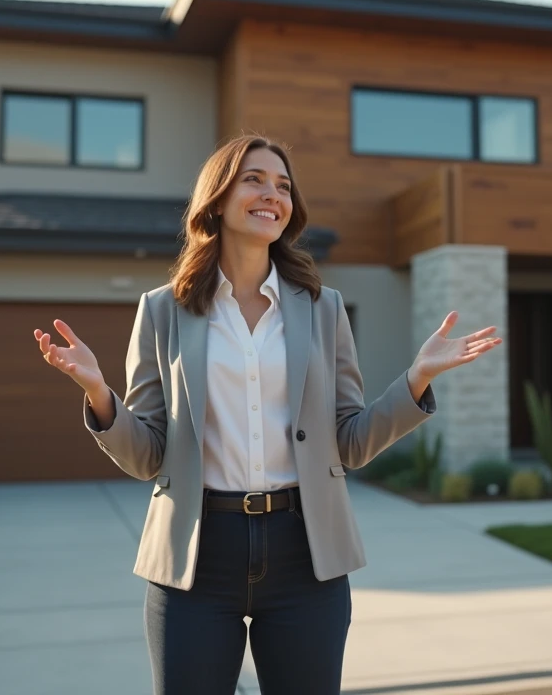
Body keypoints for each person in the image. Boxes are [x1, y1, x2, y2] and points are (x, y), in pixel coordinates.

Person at [33, 134, 501, 695]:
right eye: (254, 179)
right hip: (195, 557)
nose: (271, 194)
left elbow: (349, 442)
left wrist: (416, 379)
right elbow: (148, 456)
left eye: (282, 185)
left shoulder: (322, 309)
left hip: (305, 554)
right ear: (218, 198)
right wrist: (98, 393)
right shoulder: (163, 309)